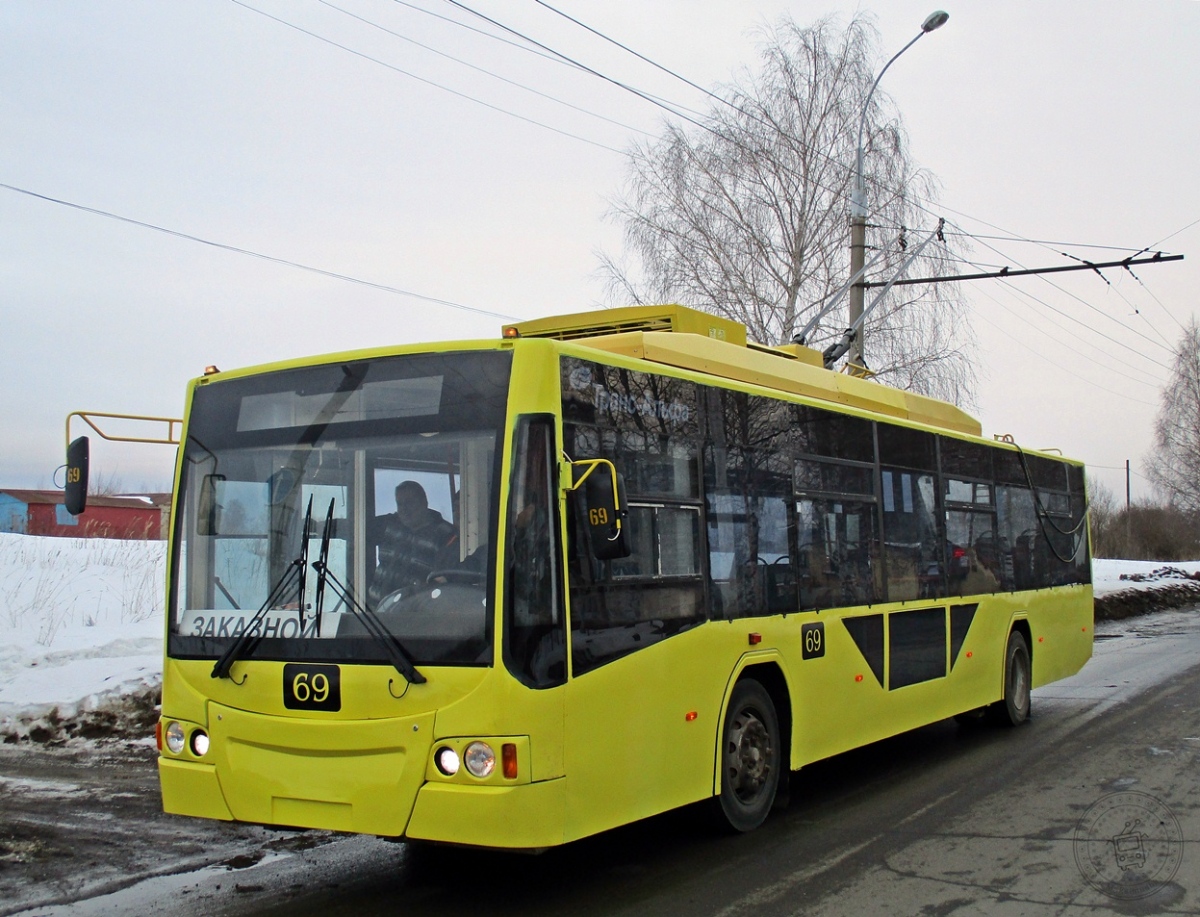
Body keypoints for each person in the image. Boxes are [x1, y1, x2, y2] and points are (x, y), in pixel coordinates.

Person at [368, 481, 459, 605]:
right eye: (400, 504)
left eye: (409, 503)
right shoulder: (388, 524)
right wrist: (333, 526)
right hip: (374, 614)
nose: (404, 510)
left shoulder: (446, 535)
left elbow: (445, 580)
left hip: (415, 616)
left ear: (424, 503)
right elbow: (354, 528)